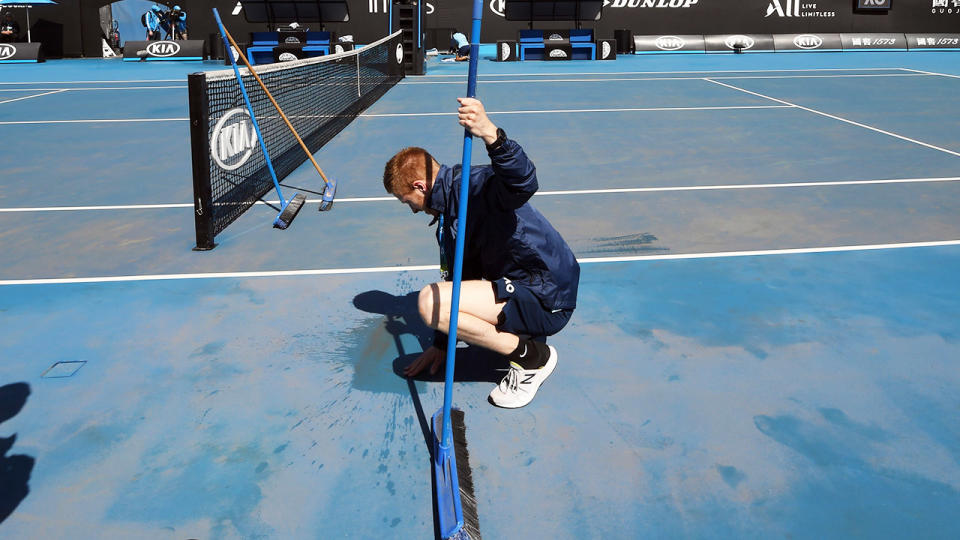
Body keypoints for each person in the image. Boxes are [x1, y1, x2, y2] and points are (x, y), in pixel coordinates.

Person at [382, 97, 580, 409]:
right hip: (529, 287)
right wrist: (442, 344)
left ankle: (532, 360)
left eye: (408, 202)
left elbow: (522, 181)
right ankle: (524, 341)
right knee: (442, 302)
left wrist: (490, 133)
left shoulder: (472, 187)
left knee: (429, 301)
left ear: (420, 187)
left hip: (549, 295)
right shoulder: (449, 217)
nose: (412, 211)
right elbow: (465, 277)